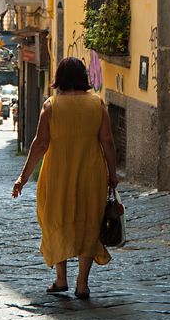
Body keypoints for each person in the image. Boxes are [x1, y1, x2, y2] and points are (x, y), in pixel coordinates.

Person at [11, 57, 118, 299]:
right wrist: (112, 174)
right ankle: (82, 284)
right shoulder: (97, 104)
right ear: (83, 78)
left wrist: (23, 177)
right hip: (92, 173)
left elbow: (40, 144)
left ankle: (61, 279)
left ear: (59, 78)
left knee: (54, 220)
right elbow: (108, 142)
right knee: (89, 222)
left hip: (58, 173)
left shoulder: (51, 106)